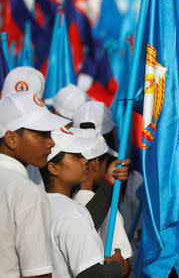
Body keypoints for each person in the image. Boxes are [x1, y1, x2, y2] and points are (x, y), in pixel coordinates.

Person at [39, 128, 131, 277]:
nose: (84, 160)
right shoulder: (71, 213)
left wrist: (108, 182)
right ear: (54, 167)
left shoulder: (40, 202)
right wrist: (117, 266)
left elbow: (86, 218)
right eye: (76, 156)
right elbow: (91, 274)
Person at [0, 91, 70, 277]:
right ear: (11, 138)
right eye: (41, 134)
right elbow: (37, 274)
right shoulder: (26, 192)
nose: (51, 142)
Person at [72, 128, 133, 265]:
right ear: (95, 164)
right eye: (105, 163)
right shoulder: (109, 212)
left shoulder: (61, 202)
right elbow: (123, 266)